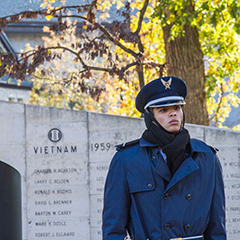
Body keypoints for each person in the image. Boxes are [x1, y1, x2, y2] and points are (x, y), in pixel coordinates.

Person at [102, 76, 226, 240]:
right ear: (150, 118)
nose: (173, 113)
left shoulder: (206, 157)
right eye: (163, 110)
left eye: (177, 107)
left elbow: (217, 228)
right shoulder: (126, 160)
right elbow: (113, 230)